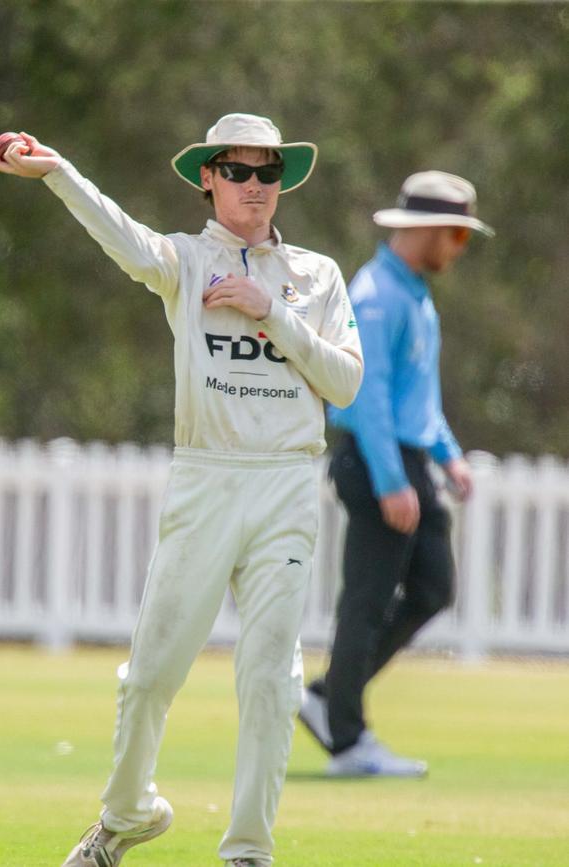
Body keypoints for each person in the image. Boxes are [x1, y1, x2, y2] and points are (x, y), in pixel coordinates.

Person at [0, 113, 363, 867]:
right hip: (207, 476)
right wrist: (58, 171)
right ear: (209, 178)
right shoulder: (185, 260)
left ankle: (248, 850)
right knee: (151, 672)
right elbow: (120, 234)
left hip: (287, 482)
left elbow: (346, 383)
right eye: (239, 170)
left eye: (269, 172)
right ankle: (126, 816)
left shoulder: (316, 276)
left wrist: (274, 313)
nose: (256, 187)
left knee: (269, 679)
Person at [298, 171, 494, 778]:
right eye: (456, 237)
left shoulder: (413, 292)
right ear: (428, 232)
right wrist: (390, 479)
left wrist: (448, 453)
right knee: (367, 599)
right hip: (374, 456)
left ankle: (330, 697)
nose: (458, 250)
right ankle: (348, 738)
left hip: (406, 458)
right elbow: (366, 397)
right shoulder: (377, 295)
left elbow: (419, 396)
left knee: (433, 587)